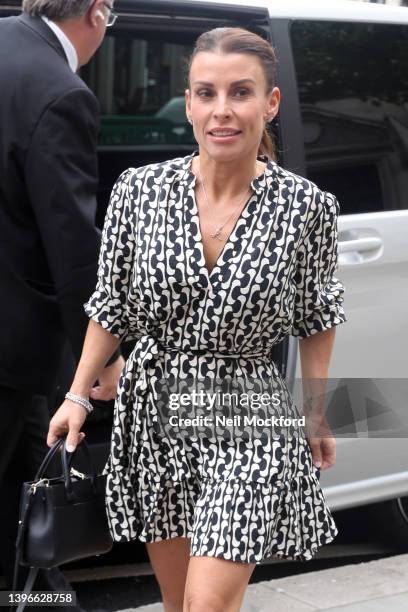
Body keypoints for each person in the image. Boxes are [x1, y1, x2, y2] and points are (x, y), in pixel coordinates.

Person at [47, 27, 348, 612]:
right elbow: (111, 304)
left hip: (250, 414)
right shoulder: (139, 191)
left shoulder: (306, 207)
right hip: (155, 409)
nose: (222, 110)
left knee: (206, 605)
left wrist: (315, 412)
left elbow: (317, 316)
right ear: (187, 103)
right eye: (206, 93)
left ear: (271, 103)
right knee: (177, 601)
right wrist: (78, 396)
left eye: (240, 92)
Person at [0, 0, 124, 603]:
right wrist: (100, 357)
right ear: (97, 13)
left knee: (23, 510)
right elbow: (73, 246)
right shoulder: (59, 89)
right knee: (22, 511)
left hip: (17, 359)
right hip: (12, 350)